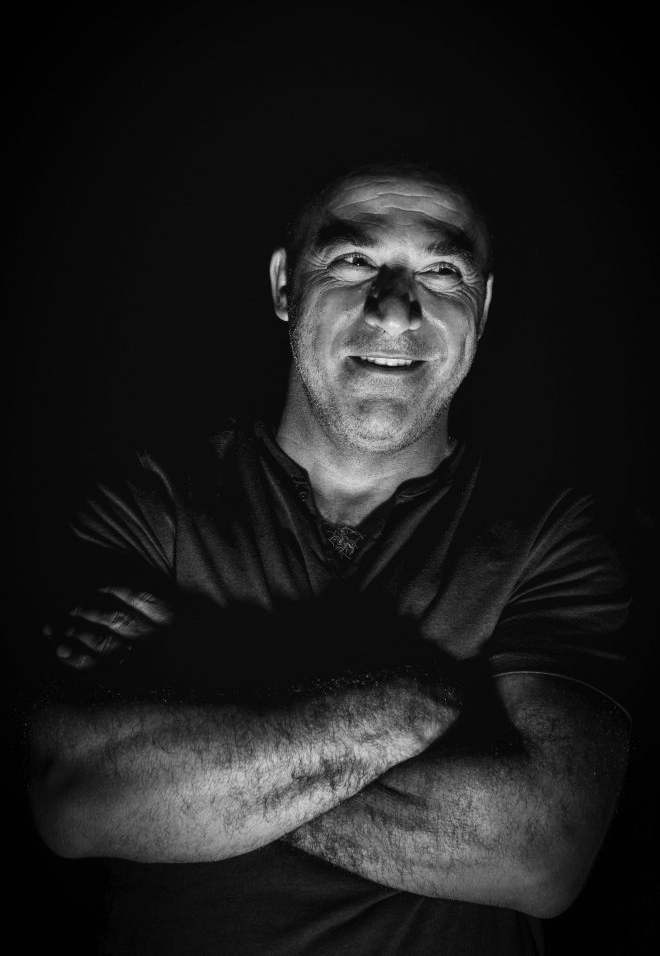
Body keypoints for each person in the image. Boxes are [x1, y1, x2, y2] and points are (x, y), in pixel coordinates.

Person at [28, 161, 631, 955]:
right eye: (352, 260)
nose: (395, 310)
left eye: (442, 271)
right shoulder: (151, 502)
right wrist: (418, 701)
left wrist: (200, 704)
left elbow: (541, 855)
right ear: (285, 286)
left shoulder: (554, 537)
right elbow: (75, 797)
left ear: (483, 307)